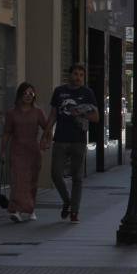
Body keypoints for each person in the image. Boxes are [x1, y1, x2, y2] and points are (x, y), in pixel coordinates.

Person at [46, 63, 99, 224]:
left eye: (81, 75)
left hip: (78, 140)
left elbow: (96, 118)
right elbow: (53, 114)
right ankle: (67, 201)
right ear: (70, 75)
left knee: (77, 177)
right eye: (75, 74)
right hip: (60, 138)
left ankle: (74, 211)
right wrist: (47, 131)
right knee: (55, 173)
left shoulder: (88, 93)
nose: (78, 77)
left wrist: (82, 112)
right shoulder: (59, 92)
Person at [0, 82, 49, 222]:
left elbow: (47, 128)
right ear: (20, 95)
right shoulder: (12, 113)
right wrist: (2, 152)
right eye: (25, 93)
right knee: (18, 181)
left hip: (33, 152)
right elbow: (7, 133)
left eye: (31, 93)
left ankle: (31, 209)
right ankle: (15, 210)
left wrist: (45, 142)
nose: (28, 96)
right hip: (17, 151)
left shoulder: (38, 112)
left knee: (32, 182)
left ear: (34, 96)